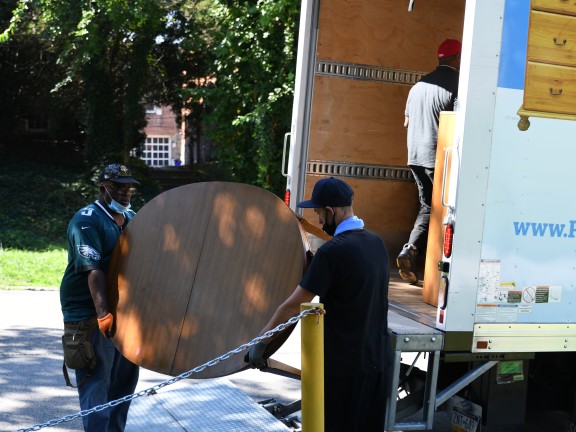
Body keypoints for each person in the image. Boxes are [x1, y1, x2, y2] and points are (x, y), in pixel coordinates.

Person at [247, 177, 391, 432]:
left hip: (343, 370)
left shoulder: (332, 252)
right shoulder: (376, 243)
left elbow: (293, 306)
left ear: (331, 211)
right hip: (377, 364)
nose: (320, 222)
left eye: (319, 214)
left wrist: (262, 342)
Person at [59, 163, 141, 432]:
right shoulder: (87, 219)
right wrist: (103, 315)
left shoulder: (131, 219)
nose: (124, 192)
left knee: (124, 381)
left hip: (126, 311)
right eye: (118, 187)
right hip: (90, 312)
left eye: (128, 187)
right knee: (97, 382)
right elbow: (92, 272)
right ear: (103, 188)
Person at [398, 38, 461, 284]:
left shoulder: (418, 86)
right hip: (439, 157)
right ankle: (438, 278)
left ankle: (410, 251)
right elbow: (456, 124)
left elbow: (406, 122)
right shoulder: (457, 84)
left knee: (428, 206)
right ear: (457, 58)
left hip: (415, 157)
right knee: (446, 210)